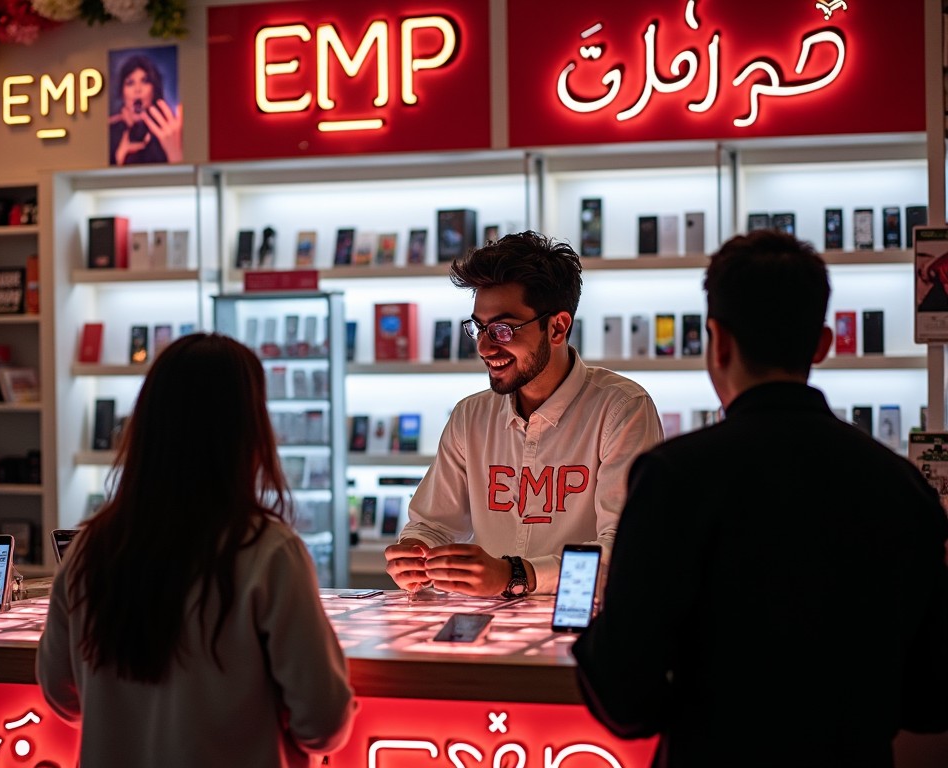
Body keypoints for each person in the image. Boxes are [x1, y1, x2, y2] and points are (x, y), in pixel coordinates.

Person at [573, 230, 948, 767]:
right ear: (822, 343)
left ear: (718, 341)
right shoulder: (901, 484)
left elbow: (625, 693)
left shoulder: (675, 475)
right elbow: (931, 698)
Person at [37, 333, 356, 767]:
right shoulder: (268, 551)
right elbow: (323, 721)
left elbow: (62, 693)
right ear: (249, 429)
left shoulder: (88, 549)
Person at [384, 230, 665, 597]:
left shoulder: (621, 409)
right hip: (485, 630)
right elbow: (433, 525)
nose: (484, 346)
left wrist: (517, 575)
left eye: (502, 329)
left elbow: (628, 551)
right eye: (479, 328)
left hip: (583, 628)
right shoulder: (471, 416)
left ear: (557, 327)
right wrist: (413, 553)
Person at [109, 53, 183, 166]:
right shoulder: (111, 133)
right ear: (122, 93)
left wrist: (174, 152)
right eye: (130, 83)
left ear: (154, 90)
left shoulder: (169, 132)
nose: (137, 89)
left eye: (145, 81)